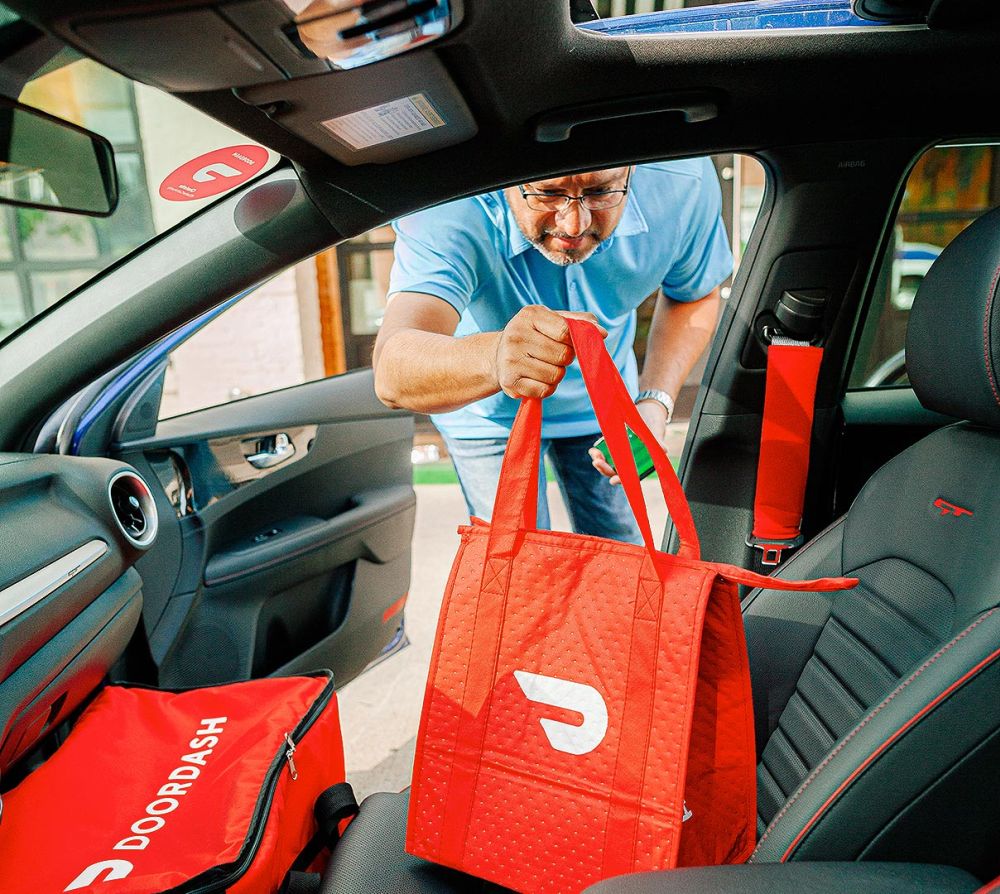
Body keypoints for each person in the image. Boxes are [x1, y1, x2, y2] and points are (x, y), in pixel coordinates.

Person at [372, 159, 732, 543]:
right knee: (518, 563)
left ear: (630, 171)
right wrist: (495, 356)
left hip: (604, 407)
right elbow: (392, 370)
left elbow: (693, 294)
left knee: (622, 556)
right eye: (548, 193)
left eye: (600, 191)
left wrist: (654, 402)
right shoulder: (447, 206)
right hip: (488, 417)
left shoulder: (684, 180)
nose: (574, 225)